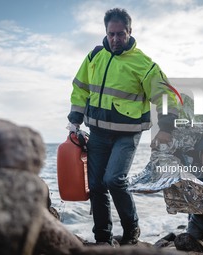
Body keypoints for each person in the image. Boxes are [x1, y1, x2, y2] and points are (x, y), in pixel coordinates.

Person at [67, 8, 178, 246]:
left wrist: (166, 128)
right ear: (105, 32)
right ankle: (102, 239)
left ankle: (131, 230)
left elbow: (167, 96)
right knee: (96, 185)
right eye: (111, 34)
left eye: (120, 34)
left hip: (127, 135)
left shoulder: (145, 64)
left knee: (114, 180)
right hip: (97, 132)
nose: (115, 39)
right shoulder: (94, 56)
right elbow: (80, 88)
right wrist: (75, 120)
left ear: (130, 31)